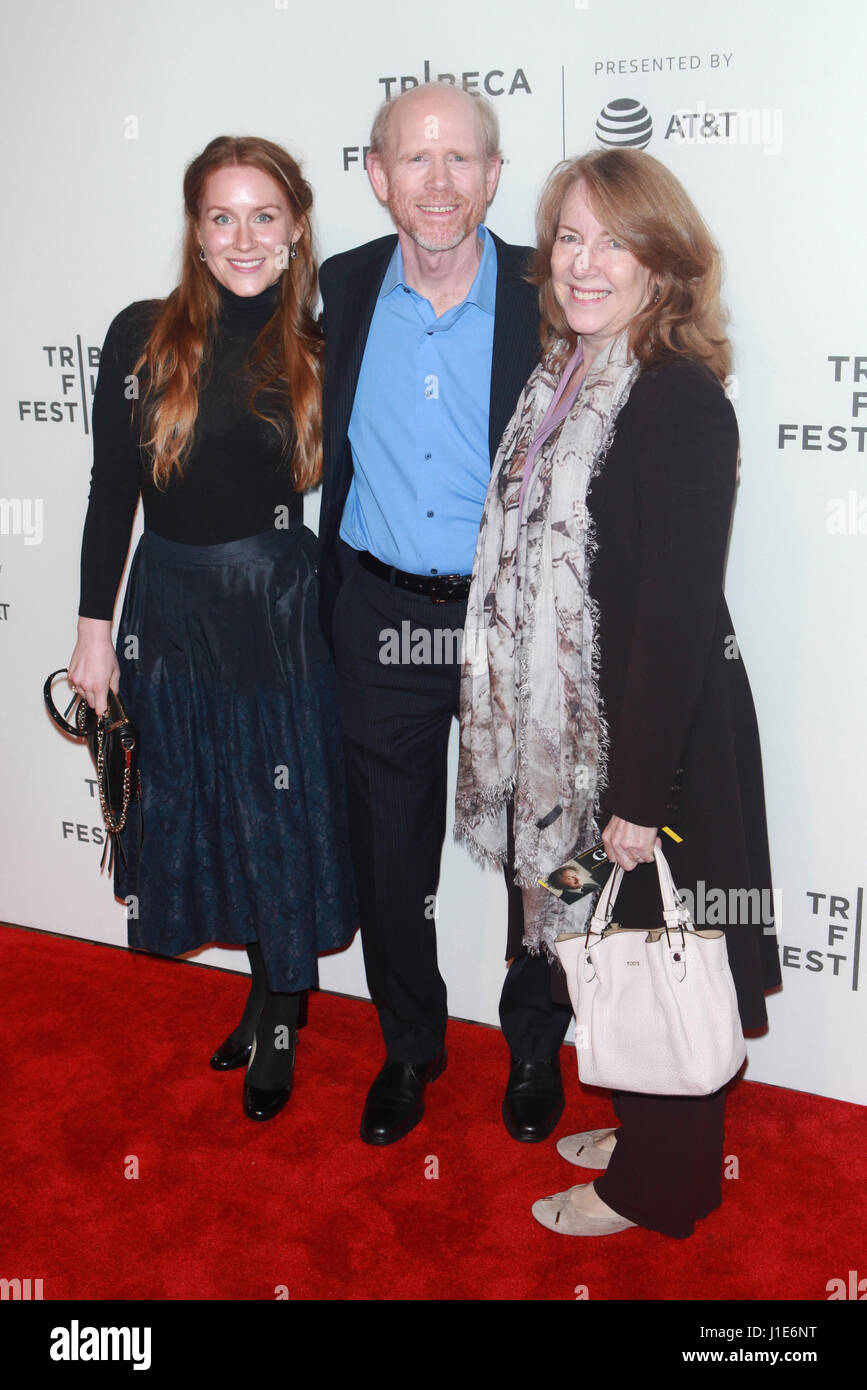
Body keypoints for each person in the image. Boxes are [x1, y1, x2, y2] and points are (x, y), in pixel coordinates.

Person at [456, 148, 781, 1237]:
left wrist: (638, 795)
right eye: (569, 237)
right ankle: (647, 1129)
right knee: (602, 943)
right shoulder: (565, 373)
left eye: (617, 241)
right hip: (570, 735)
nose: (586, 263)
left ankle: (663, 1183)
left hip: (655, 733)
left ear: (666, 264)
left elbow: (678, 615)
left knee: (654, 950)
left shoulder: (678, 397)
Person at [68, 135, 357, 1124]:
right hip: (171, 606)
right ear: (196, 232)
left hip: (276, 603)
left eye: (263, 215)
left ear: (296, 228)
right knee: (210, 800)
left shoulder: (323, 344)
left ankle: (282, 1010)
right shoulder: (138, 336)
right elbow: (114, 493)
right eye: (221, 217)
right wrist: (93, 630)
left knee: (276, 804)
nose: (243, 237)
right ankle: (263, 987)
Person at [318, 81, 572, 1146]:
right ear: (376, 176)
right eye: (413, 160)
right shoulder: (336, 287)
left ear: (495, 175)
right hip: (379, 610)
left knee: (539, 837)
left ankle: (531, 1041)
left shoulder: (547, 293)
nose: (438, 183)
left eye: (460, 160)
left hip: (510, 617)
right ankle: (412, 1044)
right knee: (390, 848)